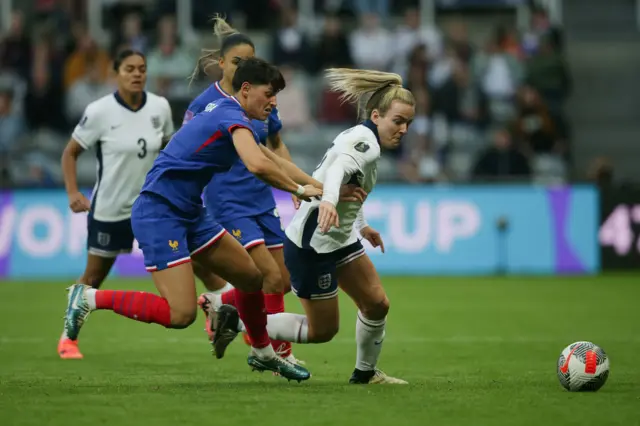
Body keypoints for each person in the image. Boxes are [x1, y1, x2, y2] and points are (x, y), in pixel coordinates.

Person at [62, 57, 322, 382]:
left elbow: (273, 160)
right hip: (159, 212)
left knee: (251, 278)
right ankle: (88, 297)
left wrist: (321, 189)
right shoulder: (229, 115)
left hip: (189, 213)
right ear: (245, 89)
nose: (273, 102)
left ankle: (262, 353)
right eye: (268, 93)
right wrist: (299, 189)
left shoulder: (235, 115)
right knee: (180, 314)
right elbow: (257, 165)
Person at [200, 68, 415, 384]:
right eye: (398, 121)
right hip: (313, 244)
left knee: (377, 304)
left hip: (338, 238)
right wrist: (328, 201)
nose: (404, 129)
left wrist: (362, 224)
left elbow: (351, 188)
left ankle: (365, 374)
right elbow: (339, 170)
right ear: (377, 115)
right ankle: (236, 323)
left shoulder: (364, 138)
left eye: (408, 122)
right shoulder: (364, 143)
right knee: (322, 331)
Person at [186, 17, 365, 362]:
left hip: (261, 197)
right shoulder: (205, 107)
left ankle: (220, 303)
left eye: (248, 61)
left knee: (282, 280)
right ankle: (275, 353)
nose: (242, 68)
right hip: (228, 202)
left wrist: (297, 189)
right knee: (266, 276)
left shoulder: (262, 100)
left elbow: (275, 146)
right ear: (221, 63)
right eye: (236, 62)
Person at [57, 49, 174, 359]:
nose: (137, 74)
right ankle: (68, 338)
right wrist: (72, 193)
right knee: (94, 279)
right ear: (116, 73)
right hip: (110, 210)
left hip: (151, 209)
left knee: (198, 263)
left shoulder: (160, 107)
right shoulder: (99, 111)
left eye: (142, 68)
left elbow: (171, 152)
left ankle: (233, 325)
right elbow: (70, 153)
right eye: (129, 69)